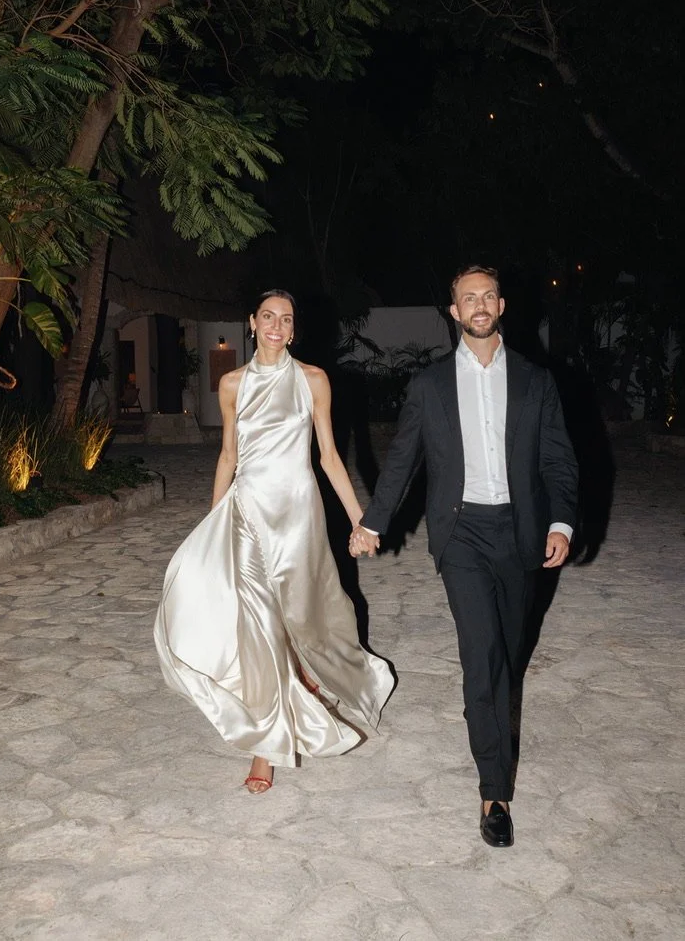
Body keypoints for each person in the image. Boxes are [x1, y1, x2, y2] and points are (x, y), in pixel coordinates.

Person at [349, 266, 578, 846]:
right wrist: (374, 522)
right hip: (462, 536)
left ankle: (494, 730)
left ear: (501, 304)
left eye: (486, 296)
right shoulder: (429, 386)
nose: (477, 305)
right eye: (466, 298)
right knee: (481, 656)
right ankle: (493, 791)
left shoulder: (535, 380)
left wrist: (560, 522)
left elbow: (559, 460)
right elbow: (402, 460)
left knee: (508, 654)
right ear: (453, 311)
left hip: (522, 533)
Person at [154, 290, 393, 794]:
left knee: (305, 616)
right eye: (268, 317)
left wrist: (358, 520)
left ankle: (321, 672)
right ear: (252, 322)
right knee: (258, 622)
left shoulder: (313, 380)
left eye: (286, 319)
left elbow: (329, 456)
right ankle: (267, 744)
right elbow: (227, 457)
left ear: (293, 327)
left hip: (298, 515)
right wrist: (214, 521)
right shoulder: (232, 383)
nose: (277, 326)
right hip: (246, 513)